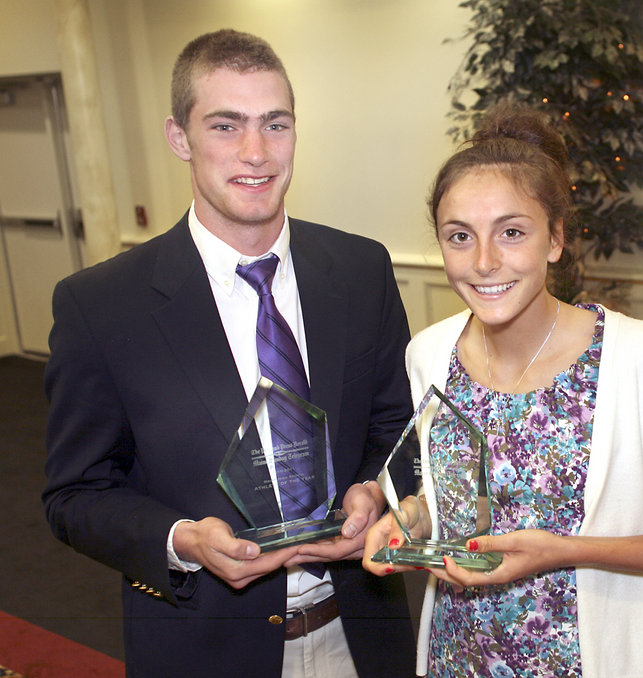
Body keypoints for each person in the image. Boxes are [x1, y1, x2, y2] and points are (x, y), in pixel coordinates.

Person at [43, 29, 416, 678]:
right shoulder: (102, 306)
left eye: (276, 124)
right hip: (206, 647)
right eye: (226, 125)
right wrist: (182, 541)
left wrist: (373, 493)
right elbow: (76, 494)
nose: (256, 152)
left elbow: (397, 427)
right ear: (179, 138)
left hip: (359, 634)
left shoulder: (361, 269)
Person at [363, 103, 643, 678]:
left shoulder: (637, 356)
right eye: (459, 236)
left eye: (512, 232)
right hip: (456, 657)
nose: (485, 262)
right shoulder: (429, 354)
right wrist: (412, 519)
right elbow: (452, 499)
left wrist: (566, 551)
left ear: (556, 239)